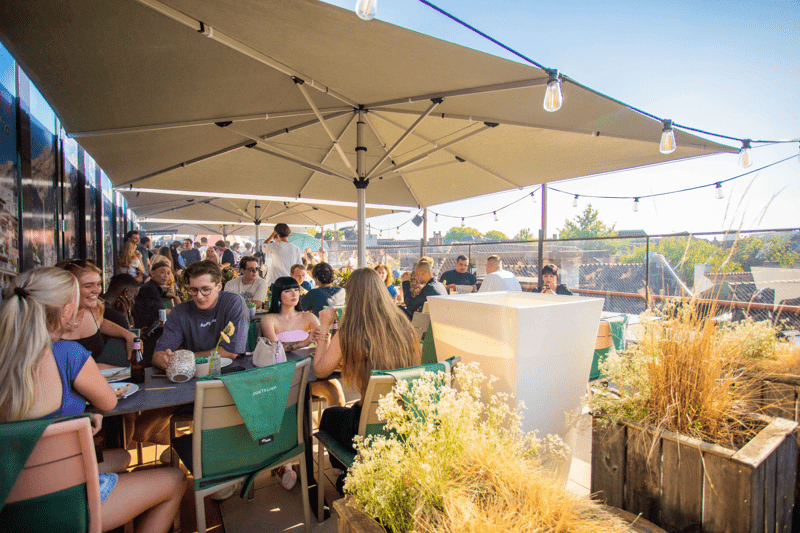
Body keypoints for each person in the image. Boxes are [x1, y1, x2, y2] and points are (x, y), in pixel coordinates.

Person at [0, 267, 186, 532]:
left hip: (9, 497)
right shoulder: (67, 354)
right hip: (63, 505)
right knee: (176, 479)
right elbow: (109, 401)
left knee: (121, 457)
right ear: (66, 311)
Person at [313, 268, 421, 490]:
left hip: (366, 426)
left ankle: (344, 469)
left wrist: (324, 327)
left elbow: (320, 371)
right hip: (403, 422)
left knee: (330, 416)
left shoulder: (350, 333)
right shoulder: (406, 329)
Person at [260, 276, 344, 490]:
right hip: (282, 376)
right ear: (279, 294)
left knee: (335, 390)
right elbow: (273, 348)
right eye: (288, 290)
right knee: (284, 404)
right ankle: (283, 461)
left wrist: (321, 336)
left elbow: (322, 339)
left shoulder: (309, 316)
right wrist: (305, 341)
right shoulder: (268, 319)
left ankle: (338, 453)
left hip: (310, 373)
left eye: (296, 290)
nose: (294, 294)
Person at [152, 260, 248, 370]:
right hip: (194, 374)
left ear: (219, 286)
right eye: (193, 290)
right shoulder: (180, 312)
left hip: (232, 372)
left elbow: (230, 352)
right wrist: (163, 359)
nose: (199, 296)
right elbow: (157, 354)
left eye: (206, 289)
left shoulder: (233, 302)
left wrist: (184, 358)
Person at [59, 260, 136, 360]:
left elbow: (101, 322)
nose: (96, 291)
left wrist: (128, 334)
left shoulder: (93, 311)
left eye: (98, 284)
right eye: (88, 286)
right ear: (69, 287)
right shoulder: (55, 317)